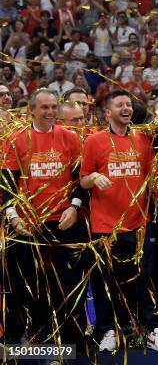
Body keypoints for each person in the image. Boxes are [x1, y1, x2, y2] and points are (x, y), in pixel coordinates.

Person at [80, 90, 158, 352]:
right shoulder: (94, 141)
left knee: (145, 281)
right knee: (105, 284)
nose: (126, 108)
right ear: (107, 113)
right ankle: (108, 331)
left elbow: (150, 181)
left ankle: (152, 331)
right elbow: (83, 178)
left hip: (138, 225)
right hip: (104, 227)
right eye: (119, 105)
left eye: (128, 104)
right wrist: (94, 179)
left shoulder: (142, 140)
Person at [3, 88, 87, 353]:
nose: (50, 112)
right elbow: (6, 184)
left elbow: (80, 181)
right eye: (44, 108)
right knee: (22, 284)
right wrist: (13, 217)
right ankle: (15, 343)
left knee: (66, 285)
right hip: (25, 225)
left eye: (53, 107)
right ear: (32, 110)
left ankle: (68, 343)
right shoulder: (16, 139)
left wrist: (74, 207)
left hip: (63, 221)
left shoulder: (70, 138)